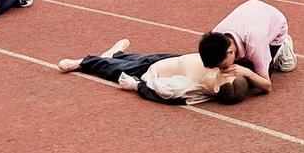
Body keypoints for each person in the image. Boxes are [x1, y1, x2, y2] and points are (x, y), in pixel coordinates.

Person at [57, 38, 251, 105]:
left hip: (153, 72)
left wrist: (137, 86)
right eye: (234, 73)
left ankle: (85, 62)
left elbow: (163, 93)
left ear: (217, 89)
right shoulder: (225, 72)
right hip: (170, 59)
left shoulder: (189, 89)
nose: (229, 70)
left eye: (227, 75)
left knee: (115, 69)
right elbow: (263, 82)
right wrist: (248, 74)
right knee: (136, 58)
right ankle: (114, 54)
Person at [200, 0, 296, 88]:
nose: (221, 70)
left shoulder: (254, 44)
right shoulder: (215, 34)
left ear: (230, 52)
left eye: (223, 66)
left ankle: (283, 46)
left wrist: (248, 73)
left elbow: (267, 85)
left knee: (257, 80)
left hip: (276, 24)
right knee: (239, 69)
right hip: (252, 14)